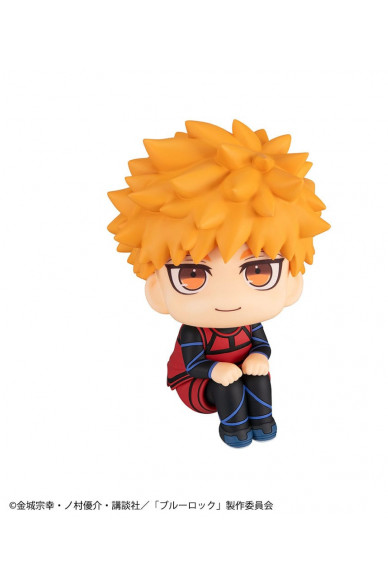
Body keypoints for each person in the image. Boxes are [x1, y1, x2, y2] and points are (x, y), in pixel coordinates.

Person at [108, 119, 329, 447]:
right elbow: (193, 363)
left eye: (258, 271)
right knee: (230, 385)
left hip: (241, 372)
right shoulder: (194, 333)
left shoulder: (250, 325)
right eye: (192, 275)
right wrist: (215, 371)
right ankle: (234, 429)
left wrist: (259, 357)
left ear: (292, 282)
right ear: (157, 291)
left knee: (258, 375)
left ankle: (263, 422)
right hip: (198, 384)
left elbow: (260, 345)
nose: (228, 298)